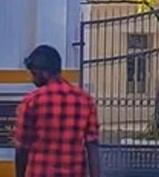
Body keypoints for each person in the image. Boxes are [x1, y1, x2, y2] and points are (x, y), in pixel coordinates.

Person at [14, 45, 100, 177]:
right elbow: (92, 145)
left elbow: (22, 147)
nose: (32, 79)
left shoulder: (31, 102)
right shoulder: (85, 100)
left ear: (44, 72)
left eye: (34, 73)